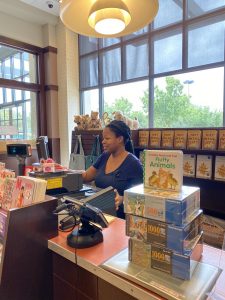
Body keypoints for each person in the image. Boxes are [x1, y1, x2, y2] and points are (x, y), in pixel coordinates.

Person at [82, 120, 143, 219]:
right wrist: (64, 171)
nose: (103, 141)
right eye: (103, 138)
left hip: (120, 220)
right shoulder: (104, 157)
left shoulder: (134, 164)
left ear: (120, 139)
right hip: (99, 215)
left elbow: (140, 199)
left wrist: (122, 199)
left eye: (107, 138)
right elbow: (86, 176)